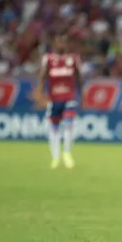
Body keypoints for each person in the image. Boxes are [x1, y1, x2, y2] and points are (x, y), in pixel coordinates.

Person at [34, 34, 81, 169]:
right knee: (53, 128)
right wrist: (40, 94)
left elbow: (79, 77)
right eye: (59, 41)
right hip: (54, 99)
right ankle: (55, 157)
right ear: (54, 44)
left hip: (69, 97)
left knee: (69, 124)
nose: (61, 44)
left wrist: (81, 95)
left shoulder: (73, 59)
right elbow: (42, 77)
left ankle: (67, 153)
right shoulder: (48, 59)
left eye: (64, 42)